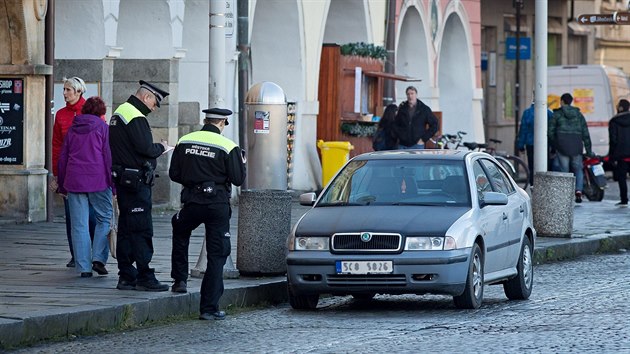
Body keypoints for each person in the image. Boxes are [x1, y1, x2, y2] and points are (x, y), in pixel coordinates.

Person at [169, 108, 246, 320]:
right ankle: (209, 308)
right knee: (217, 254)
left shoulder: (185, 140)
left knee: (180, 229)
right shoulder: (228, 146)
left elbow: (174, 173)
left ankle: (179, 281)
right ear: (222, 123)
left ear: (205, 121)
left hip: (192, 201)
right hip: (217, 206)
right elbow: (238, 179)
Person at [109, 80, 172, 291]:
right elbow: (145, 148)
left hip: (124, 180)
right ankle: (145, 275)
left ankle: (126, 275)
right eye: (154, 103)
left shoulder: (119, 113)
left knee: (126, 229)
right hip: (136, 183)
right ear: (146, 97)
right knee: (141, 229)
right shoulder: (135, 116)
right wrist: (161, 147)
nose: (153, 108)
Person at [57, 96, 114, 277]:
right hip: (98, 180)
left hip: (74, 181)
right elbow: (108, 158)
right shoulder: (103, 128)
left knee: (78, 225)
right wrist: (113, 186)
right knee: (105, 218)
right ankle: (98, 258)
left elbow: (63, 157)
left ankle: (83, 268)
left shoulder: (73, 129)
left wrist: (62, 184)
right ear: (101, 112)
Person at [51, 76, 96, 268]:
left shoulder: (91, 111)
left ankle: (92, 253)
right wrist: (56, 173)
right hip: (68, 171)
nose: (64, 93)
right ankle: (76, 253)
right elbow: (56, 145)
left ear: (79, 92)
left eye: (68, 90)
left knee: (92, 215)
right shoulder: (61, 114)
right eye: (64, 89)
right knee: (71, 215)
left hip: (90, 170)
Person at [548, 93, 593, 203]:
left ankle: (567, 194)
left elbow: (550, 131)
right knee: (578, 169)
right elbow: (585, 133)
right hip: (576, 144)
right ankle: (578, 190)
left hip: (562, 145)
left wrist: (555, 144)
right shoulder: (579, 115)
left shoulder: (557, 114)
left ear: (562, 101)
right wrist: (588, 150)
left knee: (565, 171)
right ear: (571, 101)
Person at [516, 100, 554, 186]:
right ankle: (544, 184)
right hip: (545, 144)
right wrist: (553, 147)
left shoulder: (527, 113)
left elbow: (523, 130)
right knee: (545, 165)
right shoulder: (548, 113)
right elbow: (552, 131)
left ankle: (533, 184)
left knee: (532, 165)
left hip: (530, 144)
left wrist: (521, 145)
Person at [608, 99, 630, 206]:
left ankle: (624, 199)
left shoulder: (614, 121)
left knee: (622, 178)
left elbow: (613, 140)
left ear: (620, 108)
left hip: (621, 155)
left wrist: (611, 156)